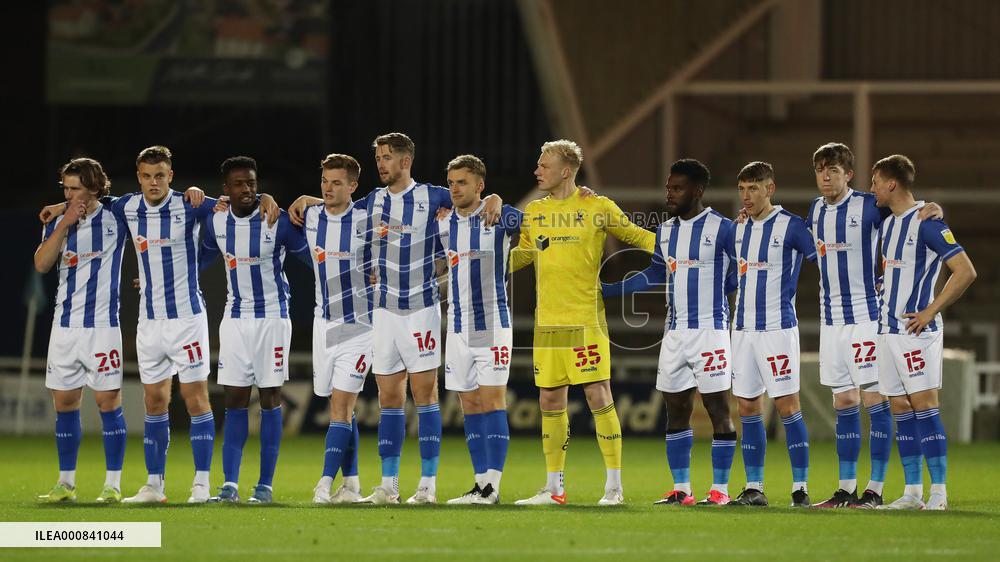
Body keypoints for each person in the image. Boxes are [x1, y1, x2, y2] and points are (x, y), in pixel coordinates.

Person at [39, 145, 278, 503]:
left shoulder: (190, 204)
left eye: (161, 176)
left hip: (187, 319)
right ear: (139, 177)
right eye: (148, 176)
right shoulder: (126, 208)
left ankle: (199, 485)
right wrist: (61, 208)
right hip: (149, 322)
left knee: (195, 398)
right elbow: (93, 200)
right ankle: (154, 485)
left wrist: (266, 197)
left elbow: (236, 202)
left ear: (171, 176)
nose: (154, 183)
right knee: (154, 401)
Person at [290, 133, 502, 504]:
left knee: (424, 395)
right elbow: (337, 207)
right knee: (389, 397)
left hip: (421, 310)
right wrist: (307, 199)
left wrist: (495, 198)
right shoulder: (371, 201)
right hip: (383, 312)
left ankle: (427, 485)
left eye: (387, 157)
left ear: (405, 161)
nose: (381, 164)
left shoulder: (433, 196)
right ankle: (388, 485)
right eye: (378, 158)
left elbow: (473, 203)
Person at [513, 140, 655, 506]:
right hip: (547, 325)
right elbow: (526, 254)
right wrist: (480, 262)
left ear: (565, 170)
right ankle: (554, 489)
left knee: (597, 394)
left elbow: (637, 237)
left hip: (585, 321)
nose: (537, 171)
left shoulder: (597, 206)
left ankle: (613, 488)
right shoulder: (535, 210)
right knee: (548, 399)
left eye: (544, 165)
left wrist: (685, 251)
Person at [806, 143, 942, 508]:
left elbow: (906, 214)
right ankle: (846, 488)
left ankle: (875, 489)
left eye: (832, 170)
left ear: (848, 174)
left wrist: (932, 208)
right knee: (843, 400)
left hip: (867, 318)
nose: (825, 177)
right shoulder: (815, 210)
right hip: (830, 320)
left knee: (874, 400)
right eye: (820, 170)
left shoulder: (869, 205)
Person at [603, 159, 738, 506]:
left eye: (677, 188)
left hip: (711, 331)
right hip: (674, 333)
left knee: (717, 409)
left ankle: (720, 490)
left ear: (698, 190)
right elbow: (653, 275)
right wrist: (609, 289)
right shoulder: (665, 232)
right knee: (675, 408)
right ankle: (682, 489)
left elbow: (740, 274)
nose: (670, 193)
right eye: (668, 187)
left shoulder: (724, 229)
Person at [199, 156, 310, 504]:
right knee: (233, 399)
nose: (247, 189)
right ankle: (229, 486)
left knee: (269, 399)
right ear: (226, 190)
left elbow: (314, 259)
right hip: (234, 320)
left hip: (273, 320)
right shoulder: (216, 220)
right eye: (239, 184)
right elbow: (198, 259)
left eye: (251, 183)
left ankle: (264, 486)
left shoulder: (275, 221)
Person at [869, 155, 976, 511]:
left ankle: (939, 494)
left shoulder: (928, 223)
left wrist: (931, 310)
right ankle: (912, 493)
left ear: (892, 184)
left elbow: (964, 271)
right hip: (887, 331)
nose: (871, 189)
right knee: (900, 407)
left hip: (917, 332)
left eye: (875, 182)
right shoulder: (888, 224)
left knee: (925, 407)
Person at [35, 158, 129, 503]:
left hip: (103, 327)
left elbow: (143, 200)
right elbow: (42, 264)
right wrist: (65, 219)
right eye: (66, 188)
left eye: (76, 188)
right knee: (64, 404)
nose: (69, 193)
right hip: (64, 326)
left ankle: (113, 485)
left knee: (108, 403)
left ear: (94, 187)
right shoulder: (57, 220)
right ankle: (66, 484)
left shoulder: (116, 215)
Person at [727, 161, 816, 508]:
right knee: (748, 407)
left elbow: (823, 258)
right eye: (742, 189)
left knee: (787, 405)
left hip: (778, 330)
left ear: (770, 189)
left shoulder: (792, 227)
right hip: (743, 329)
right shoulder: (738, 228)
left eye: (754, 188)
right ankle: (754, 487)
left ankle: (800, 487)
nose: (747, 196)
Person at [437, 155, 519, 505]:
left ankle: (494, 487)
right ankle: (480, 484)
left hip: (491, 324)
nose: (455, 188)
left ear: (480, 186)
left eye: (463, 182)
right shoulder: (442, 224)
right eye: (452, 182)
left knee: (491, 401)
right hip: (456, 326)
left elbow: (534, 221)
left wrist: (500, 201)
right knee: (468, 403)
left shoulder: (499, 218)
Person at [299, 154, 373, 504]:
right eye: (325, 181)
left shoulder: (369, 218)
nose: (328, 188)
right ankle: (353, 485)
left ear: (353, 186)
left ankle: (324, 484)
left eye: (337, 182)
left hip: (360, 327)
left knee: (341, 407)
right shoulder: (311, 216)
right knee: (341, 407)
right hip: (322, 323)